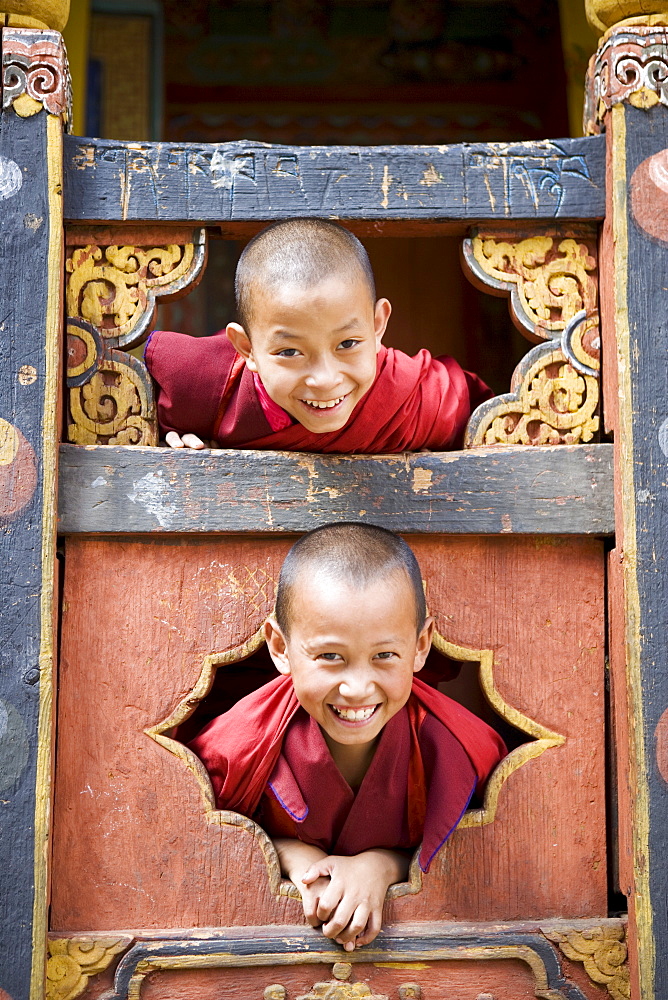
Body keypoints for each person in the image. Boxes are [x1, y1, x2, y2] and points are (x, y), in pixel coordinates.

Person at [188, 523, 506, 951]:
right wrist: (290, 855)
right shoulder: (238, 744)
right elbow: (201, 837)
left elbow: (470, 845)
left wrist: (380, 868)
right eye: (330, 657)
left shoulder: (456, 746)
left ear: (421, 645)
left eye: (384, 656)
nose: (357, 688)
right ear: (280, 647)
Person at [145, 219, 492, 453]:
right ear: (247, 348)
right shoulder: (199, 386)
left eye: (347, 344)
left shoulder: (421, 399)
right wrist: (165, 440)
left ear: (377, 326)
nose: (325, 380)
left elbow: (490, 424)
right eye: (290, 352)